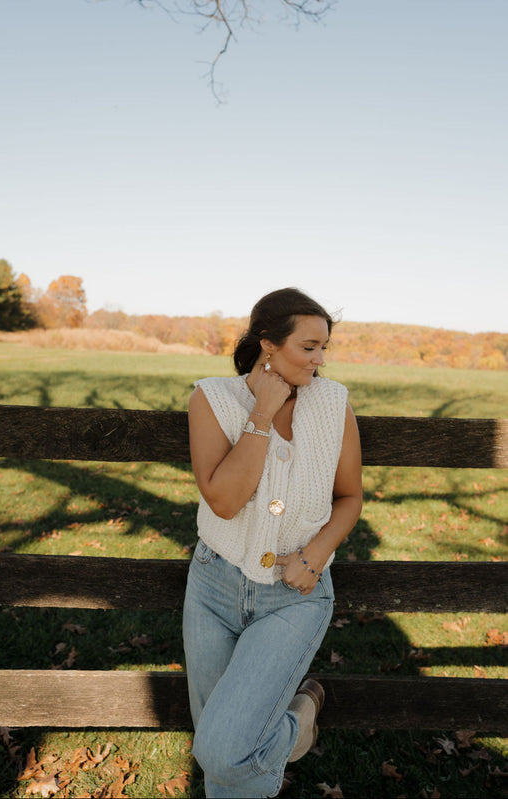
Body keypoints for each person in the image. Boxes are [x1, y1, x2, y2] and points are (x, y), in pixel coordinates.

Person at [183, 287, 363, 798]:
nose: (320, 359)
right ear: (269, 344)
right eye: (308, 347)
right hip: (214, 590)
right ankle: (296, 728)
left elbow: (350, 497)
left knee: (221, 750)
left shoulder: (333, 404)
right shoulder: (213, 398)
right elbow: (223, 500)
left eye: (325, 347)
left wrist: (315, 554)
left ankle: (296, 723)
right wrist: (260, 415)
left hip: (294, 597)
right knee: (225, 761)